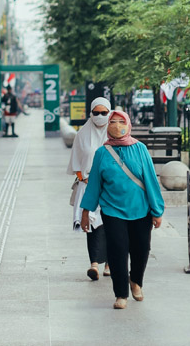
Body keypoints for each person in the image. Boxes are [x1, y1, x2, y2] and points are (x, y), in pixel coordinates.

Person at [80, 111, 165, 310]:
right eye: (113, 122)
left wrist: (157, 210)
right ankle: (121, 294)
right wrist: (86, 212)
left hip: (141, 209)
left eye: (121, 122)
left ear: (128, 124)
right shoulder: (102, 153)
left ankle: (136, 281)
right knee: (117, 250)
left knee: (141, 248)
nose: (117, 126)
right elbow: (94, 185)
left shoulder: (140, 149)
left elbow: (151, 181)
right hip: (112, 209)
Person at [67, 97, 111, 281]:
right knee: (91, 224)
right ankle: (94, 263)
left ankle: (110, 262)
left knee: (111, 223)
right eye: (96, 113)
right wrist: (82, 178)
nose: (100, 116)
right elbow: (76, 162)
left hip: (110, 187)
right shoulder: (82, 135)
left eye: (104, 113)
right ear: (90, 113)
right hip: (88, 185)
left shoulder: (114, 132)